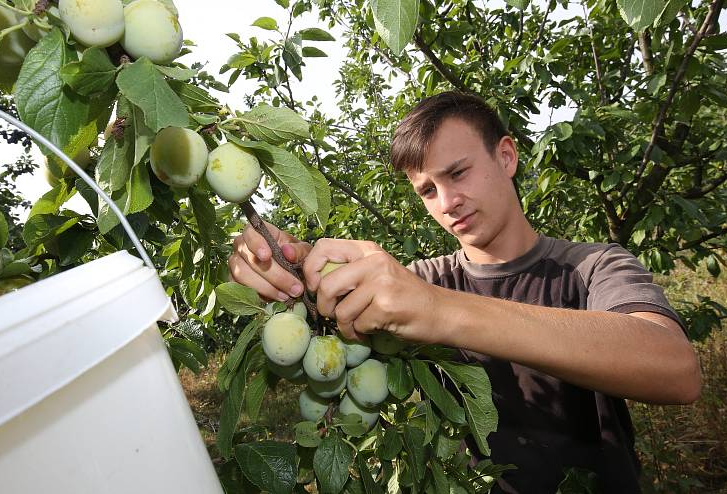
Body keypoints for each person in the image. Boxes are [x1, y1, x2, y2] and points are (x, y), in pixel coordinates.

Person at [228, 91, 702, 493]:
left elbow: (676, 370)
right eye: (427, 191)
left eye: (458, 173)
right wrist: (290, 265)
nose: (447, 202)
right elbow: (338, 319)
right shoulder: (422, 282)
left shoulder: (591, 266)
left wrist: (440, 311)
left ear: (507, 157)